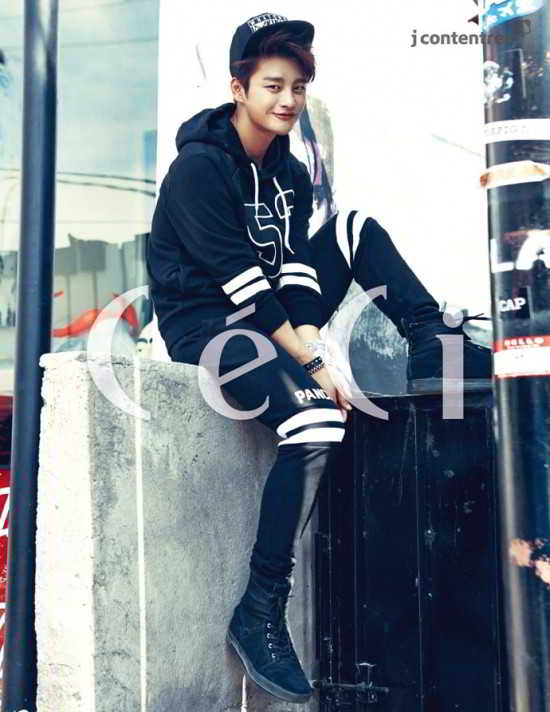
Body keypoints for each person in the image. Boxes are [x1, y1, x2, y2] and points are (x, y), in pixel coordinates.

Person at [146, 12, 492, 704]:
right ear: (239, 88)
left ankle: (431, 341)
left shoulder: (291, 172)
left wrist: (309, 335)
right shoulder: (198, 170)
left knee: (354, 227)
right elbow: (244, 287)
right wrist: (313, 364)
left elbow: (295, 276)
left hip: (269, 317)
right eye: (273, 85)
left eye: (298, 88)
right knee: (315, 421)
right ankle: (260, 607)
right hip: (209, 325)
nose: (287, 100)